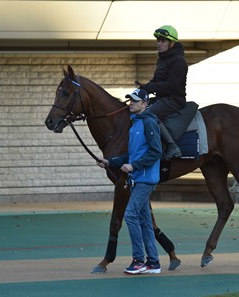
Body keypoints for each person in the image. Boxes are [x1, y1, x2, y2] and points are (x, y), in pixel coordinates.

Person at [96, 88, 162, 275]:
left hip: (145, 179)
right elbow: (130, 155)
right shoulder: (135, 124)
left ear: (144, 104)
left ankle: (139, 260)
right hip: (138, 178)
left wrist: (134, 167)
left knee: (130, 215)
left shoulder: (149, 123)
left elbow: (156, 151)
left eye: (135, 100)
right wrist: (111, 162)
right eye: (130, 100)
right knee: (144, 220)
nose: (131, 103)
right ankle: (153, 263)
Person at [140, 25, 188, 159]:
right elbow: (156, 81)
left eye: (163, 41)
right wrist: (142, 90)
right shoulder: (162, 59)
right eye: (158, 40)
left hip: (174, 100)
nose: (159, 43)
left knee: (148, 114)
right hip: (162, 99)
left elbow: (172, 85)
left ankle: (172, 146)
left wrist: (150, 87)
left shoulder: (179, 61)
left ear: (172, 43)